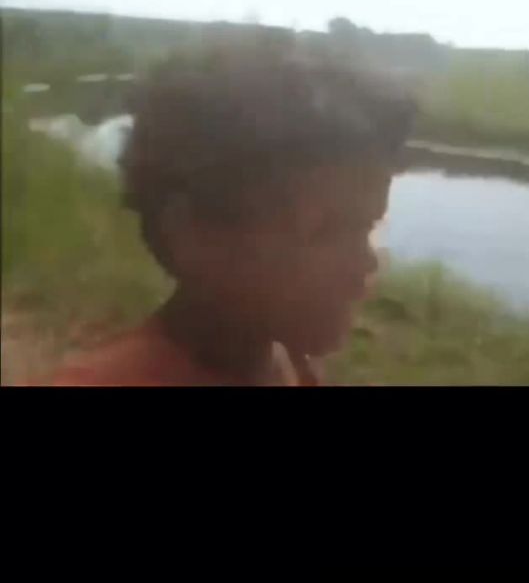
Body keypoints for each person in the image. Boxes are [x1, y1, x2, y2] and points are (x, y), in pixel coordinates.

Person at [51, 39, 416, 386]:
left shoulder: (280, 360)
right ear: (192, 234)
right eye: (325, 231)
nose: (365, 264)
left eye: (368, 227)